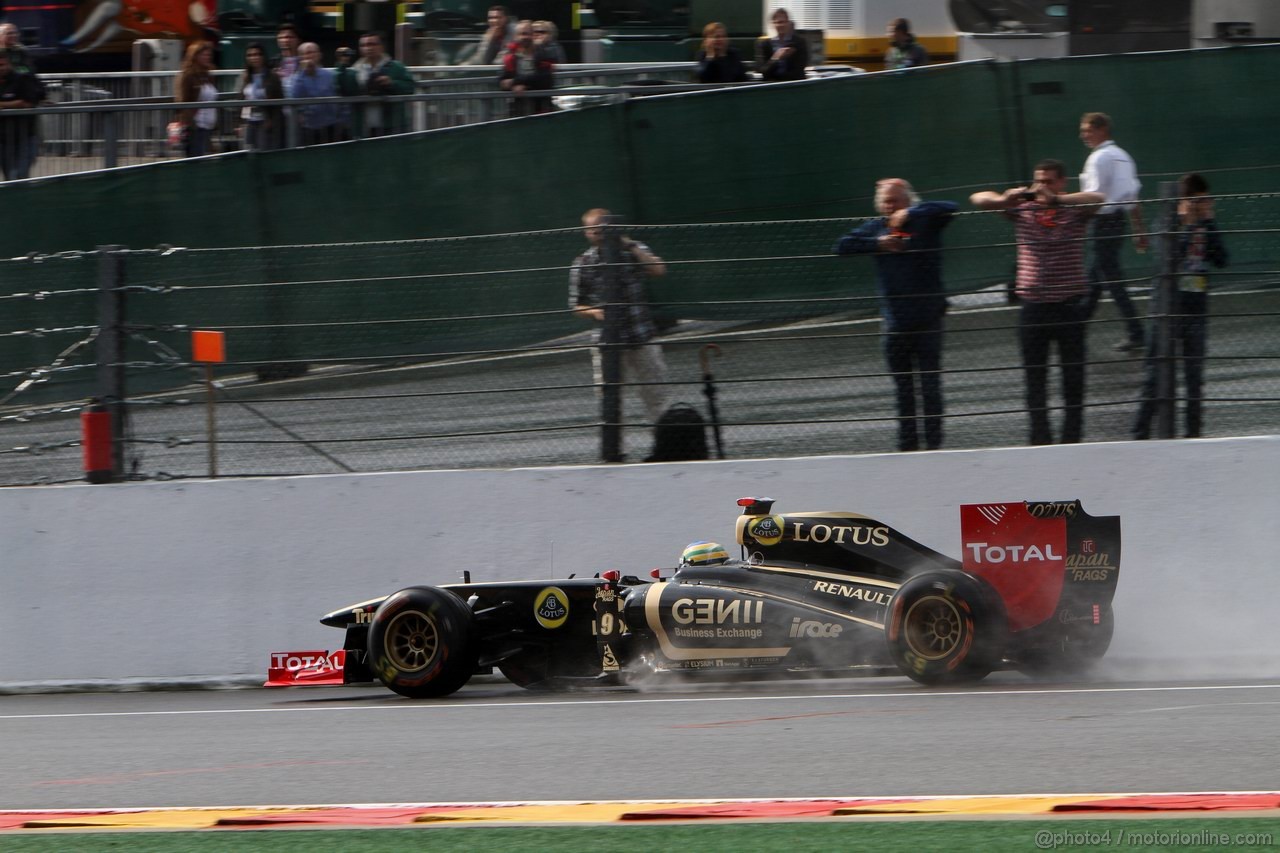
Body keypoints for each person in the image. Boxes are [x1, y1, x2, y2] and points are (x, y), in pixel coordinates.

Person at [970, 160, 1104, 445]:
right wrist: (1003, 200)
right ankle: (1040, 441)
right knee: (1035, 381)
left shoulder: (1072, 211)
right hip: (1033, 306)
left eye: (1048, 181)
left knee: (1073, 379)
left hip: (1068, 305)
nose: (1041, 186)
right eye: (1038, 180)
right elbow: (977, 199)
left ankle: (1072, 441)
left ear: (1062, 182)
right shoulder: (1024, 210)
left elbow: (1099, 199)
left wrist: (1057, 200)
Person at [834, 179, 957, 452]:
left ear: (907, 201)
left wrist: (911, 213)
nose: (890, 206)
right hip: (895, 322)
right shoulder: (877, 227)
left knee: (930, 386)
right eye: (886, 202)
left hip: (928, 319)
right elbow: (842, 245)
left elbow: (950, 206)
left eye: (896, 201)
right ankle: (908, 446)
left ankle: (935, 445)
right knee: (903, 390)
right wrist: (878, 244)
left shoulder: (925, 220)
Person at [1132, 173, 1228, 440]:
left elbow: (1222, 258)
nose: (1203, 204)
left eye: (1206, 200)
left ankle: (1193, 436)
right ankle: (1139, 435)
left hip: (1196, 309)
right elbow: (1168, 260)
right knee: (1155, 377)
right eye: (1198, 200)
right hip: (1166, 309)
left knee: (1194, 380)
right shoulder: (1167, 222)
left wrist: (1208, 222)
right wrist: (1187, 225)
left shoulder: (1206, 226)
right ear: (1185, 200)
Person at [569, 208, 669, 429]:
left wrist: (630, 245)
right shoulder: (583, 263)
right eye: (591, 230)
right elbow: (576, 305)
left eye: (601, 228)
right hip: (608, 341)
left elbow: (658, 270)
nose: (596, 234)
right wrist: (594, 311)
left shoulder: (633, 250)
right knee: (610, 397)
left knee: (656, 393)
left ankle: (665, 443)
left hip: (641, 335)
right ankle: (616, 450)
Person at [1079, 111, 1147, 352]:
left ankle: (1136, 331)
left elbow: (1093, 198)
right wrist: (1139, 229)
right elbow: (1132, 196)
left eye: (1087, 130)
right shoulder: (1123, 156)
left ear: (1101, 130)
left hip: (1102, 223)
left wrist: (1081, 222)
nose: (1083, 135)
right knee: (1095, 279)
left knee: (1108, 280)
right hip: (1117, 223)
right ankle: (1076, 328)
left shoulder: (1098, 159)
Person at [339, 32, 414, 137]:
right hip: (364, 126)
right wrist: (342, 66)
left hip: (391, 125)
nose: (368, 48)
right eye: (363, 45)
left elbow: (410, 87)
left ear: (381, 46)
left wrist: (391, 83)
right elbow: (344, 90)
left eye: (372, 44)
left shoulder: (396, 67)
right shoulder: (355, 70)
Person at [498, 19, 555, 117]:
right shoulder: (510, 57)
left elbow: (545, 78)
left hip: (541, 109)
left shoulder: (543, 53)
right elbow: (502, 81)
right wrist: (512, 85)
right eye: (521, 34)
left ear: (533, 35)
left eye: (527, 33)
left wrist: (518, 83)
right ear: (515, 36)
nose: (524, 37)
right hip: (517, 110)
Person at [288, 42, 341, 146]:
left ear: (319, 55)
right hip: (308, 127)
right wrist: (303, 73)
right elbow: (294, 98)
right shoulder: (296, 78)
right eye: (303, 54)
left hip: (329, 125)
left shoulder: (329, 75)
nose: (308, 56)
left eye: (310, 52)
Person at [174, 41, 219, 157]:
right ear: (194, 56)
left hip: (208, 126)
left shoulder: (208, 76)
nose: (206, 57)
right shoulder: (187, 75)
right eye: (203, 55)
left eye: (208, 55)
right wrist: (191, 124)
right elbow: (182, 101)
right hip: (195, 126)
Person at [0, 51, 40, 180]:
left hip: (24, 137)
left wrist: (3, 104)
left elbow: (27, 103)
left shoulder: (22, 79)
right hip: (3, 140)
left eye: (2, 64)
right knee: (9, 177)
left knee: (18, 176)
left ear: (9, 64)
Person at [239, 42, 284, 151]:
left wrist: (271, 120)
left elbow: (278, 101)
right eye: (250, 55)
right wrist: (240, 123)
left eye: (257, 54)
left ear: (263, 56)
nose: (254, 58)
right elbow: (242, 99)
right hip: (249, 120)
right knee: (248, 151)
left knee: (264, 151)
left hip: (265, 121)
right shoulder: (245, 77)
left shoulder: (272, 77)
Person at [757, 8, 808, 82]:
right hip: (771, 85)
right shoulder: (764, 44)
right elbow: (762, 70)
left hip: (794, 85)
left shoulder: (799, 42)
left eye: (784, 22)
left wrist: (783, 80)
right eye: (778, 22)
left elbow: (800, 68)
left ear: (788, 23)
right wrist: (776, 58)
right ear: (773, 24)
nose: (782, 25)